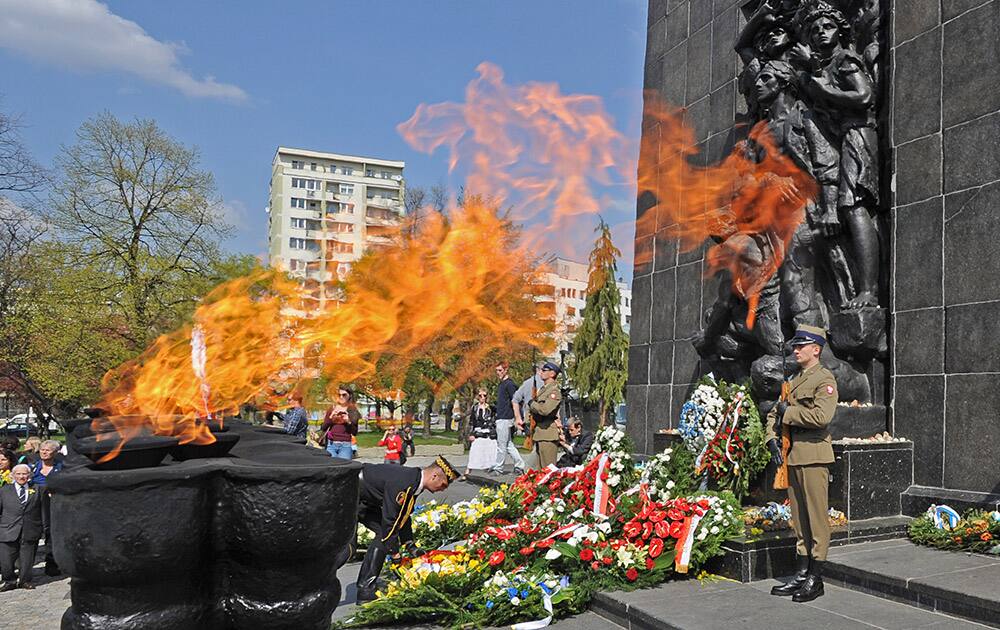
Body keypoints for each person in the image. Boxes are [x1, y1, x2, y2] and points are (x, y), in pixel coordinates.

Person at [766, 324, 837, 603]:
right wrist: (770, 439)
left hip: (814, 456)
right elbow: (774, 413)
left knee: (816, 520)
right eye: (795, 346)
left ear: (815, 349)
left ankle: (815, 578)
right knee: (799, 519)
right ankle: (802, 572)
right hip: (792, 456)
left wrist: (789, 412)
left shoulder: (824, 379)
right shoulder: (793, 380)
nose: (795, 350)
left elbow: (821, 416)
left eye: (801, 346)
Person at [353, 456, 459, 602]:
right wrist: (395, 554)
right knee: (346, 550)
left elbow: (403, 514)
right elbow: (390, 520)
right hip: (350, 496)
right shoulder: (405, 483)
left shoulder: (414, 480)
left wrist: (410, 544)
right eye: (443, 484)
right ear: (434, 476)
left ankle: (365, 589)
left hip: (365, 499)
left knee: (383, 535)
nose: (442, 489)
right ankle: (364, 589)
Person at [0, 464, 45, 591]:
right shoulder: (3, 491)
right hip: (7, 529)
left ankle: (25, 580)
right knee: (6, 559)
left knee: (27, 558)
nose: (21, 476)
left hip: (30, 529)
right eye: (18, 474)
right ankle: (9, 581)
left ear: (29, 475)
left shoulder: (38, 489)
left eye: (24, 474)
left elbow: (43, 511)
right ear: (13, 476)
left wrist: (43, 528)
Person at [30, 440, 62, 577]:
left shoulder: (61, 468)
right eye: (42, 449)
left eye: (48, 450)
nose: (44, 452)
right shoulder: (33, 467)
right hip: (36, 505)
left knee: (52, 535)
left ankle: (52, 564)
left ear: (55, 453)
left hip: (53, 505)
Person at [490, 362, 526, 476]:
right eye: (496, 370)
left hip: (506, 418)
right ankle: (520, 465)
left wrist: (517, 417)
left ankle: (498, 468)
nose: (498, 373)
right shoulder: (501, 385)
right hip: (501, 417)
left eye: (500, 370)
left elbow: (516, 400)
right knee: (508, 444)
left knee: (501, 445)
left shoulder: (509, 384)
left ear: (506, 370)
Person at [528, 362, 563, 469]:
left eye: (544, 370)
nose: (541, 372)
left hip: (548, 434)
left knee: (548, 471)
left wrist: (532, 404)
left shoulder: (554, 392)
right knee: (536, 471)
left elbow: (545, 410)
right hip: (539, 433)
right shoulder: (543, 390)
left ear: (552, 374)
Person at [321, 387, 361, 460]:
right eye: (339, 395)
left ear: (350, 396)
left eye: (344, 395)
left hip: (345, 445)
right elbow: (323, 428)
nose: (341, 397)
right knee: (331, 468)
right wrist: (331, 417)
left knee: (343, 468)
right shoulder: (332, 408)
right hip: (331, 444)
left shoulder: (352, 410)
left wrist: (348, 421)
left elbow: (354, 432)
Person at [465, 388, 497, 476]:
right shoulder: (475, 407)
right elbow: (471, 422)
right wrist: (471, 434)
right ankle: (468, 471)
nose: (482, 397)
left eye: (484, 395)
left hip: (488, 432)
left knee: (490, 452)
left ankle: (489, 470)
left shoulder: (491, 407)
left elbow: (495, 420)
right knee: (474, 451)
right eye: (480, 395)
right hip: (478, 431)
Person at [512, 366, 544, 437]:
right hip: (541, 419)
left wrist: (518, 418)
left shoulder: (526, 383)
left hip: (528, 417)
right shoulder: (546, 384)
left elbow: (515, 400)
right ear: (540, 370)